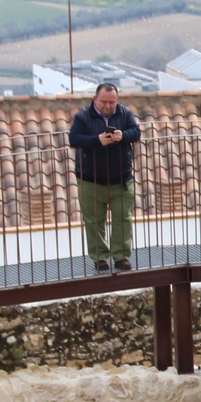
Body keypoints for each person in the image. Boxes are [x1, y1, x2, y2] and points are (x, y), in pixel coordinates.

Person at [68, 82, 141, 272]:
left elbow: (136, 133)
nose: (108, 106)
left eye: (112, 102)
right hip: (90, 180)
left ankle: (121, 257)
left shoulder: (125, 113)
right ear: (95, 99)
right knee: (93, 221)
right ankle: (99, 257)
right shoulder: (82, 116)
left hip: (122, 180)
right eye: (104, 102)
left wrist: (122, 136)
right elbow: (74, 139)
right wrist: (97, 141)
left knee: (123, 219)